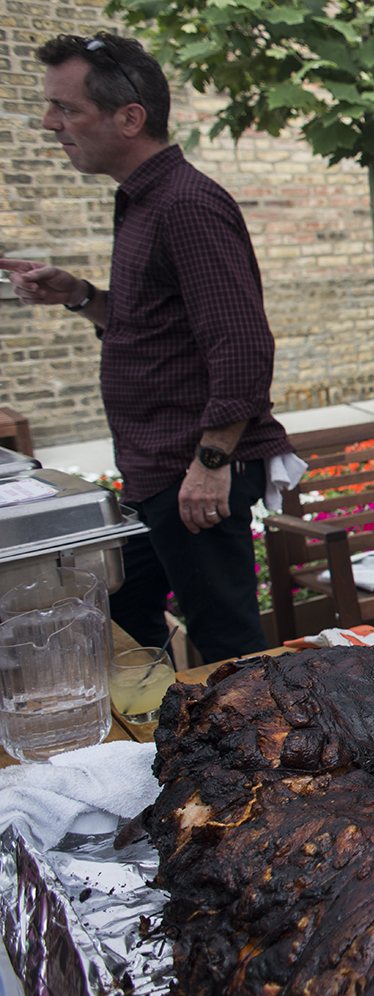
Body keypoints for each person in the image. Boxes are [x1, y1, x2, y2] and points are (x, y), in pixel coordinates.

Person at [0, 33, 291, 663]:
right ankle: (165, 734)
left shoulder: (186, 204)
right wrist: (79, 295)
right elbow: (157, 327)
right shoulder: (142, 201)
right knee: (121, 610)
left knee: (227, 646)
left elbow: (241, 343)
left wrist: (211, 464)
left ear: (129, 118)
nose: (50, 123)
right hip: (157, 469)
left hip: (194, 470)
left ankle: (261, 758)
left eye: (67, 109)